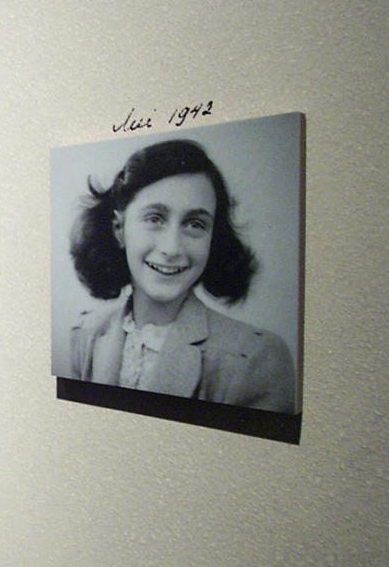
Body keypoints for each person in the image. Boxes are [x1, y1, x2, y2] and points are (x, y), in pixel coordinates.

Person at [69, 139, 295, 413]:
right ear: (119, 229)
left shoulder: (257, 358)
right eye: (155, 219)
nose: (172, 248)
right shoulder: (86, 335)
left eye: (195, 224)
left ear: (213, 239)